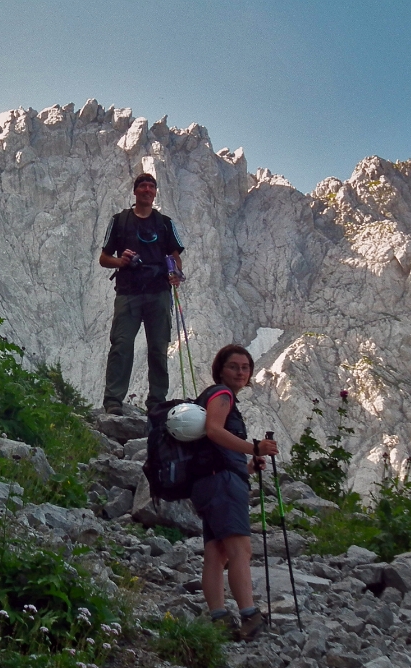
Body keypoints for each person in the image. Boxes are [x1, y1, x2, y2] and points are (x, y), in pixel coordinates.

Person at [190, 344, 278, 641]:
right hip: (223, 484)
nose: (241, 372)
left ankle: (218, 618)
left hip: (208, 483)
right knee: (240, 550)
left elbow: (212, 445)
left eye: (245, 367)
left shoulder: (213, 397)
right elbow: (215, 430)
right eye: (234, 367)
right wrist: (254, 447)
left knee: (217, 551)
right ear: (221, 370)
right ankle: (249, 615)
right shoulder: (222, 395)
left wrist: (249, 466)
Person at [99, 173, 184, 415]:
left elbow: (176, 256)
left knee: (158, 347)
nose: (147, 190)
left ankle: (156, 402)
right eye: (143, 186)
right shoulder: (119, 221)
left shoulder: (165, 223)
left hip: (158, 292)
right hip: (128, 292)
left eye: (151, 186)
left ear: (155, 192)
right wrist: (121, 262)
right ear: (135, 191)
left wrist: (176, 272)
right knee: (121, 344)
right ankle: (113, 400)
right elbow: (104, 258)